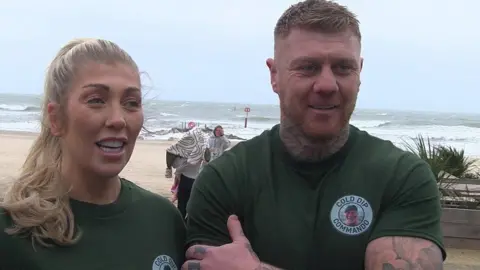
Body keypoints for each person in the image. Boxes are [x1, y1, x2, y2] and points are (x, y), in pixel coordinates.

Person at [183, 1, 446, 270]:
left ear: (359, 73)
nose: (327, 85)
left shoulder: (402, 177)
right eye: (308, 67)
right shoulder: (224, 180)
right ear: (274, 75)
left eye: (343, 68)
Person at [0, 38, 185, 270]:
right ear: (55, 119)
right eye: (96, 100)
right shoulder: (11, 229)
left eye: (131, 103)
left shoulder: (164, 219)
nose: (118, 119)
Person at [165, 124, 208, 219]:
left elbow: (175, 162)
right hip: (195, 181)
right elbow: (207, 163)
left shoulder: (184, 154)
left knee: (182, 205)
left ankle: (182, 224)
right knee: (191, 206)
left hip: (186, 180)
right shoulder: (202, 153)